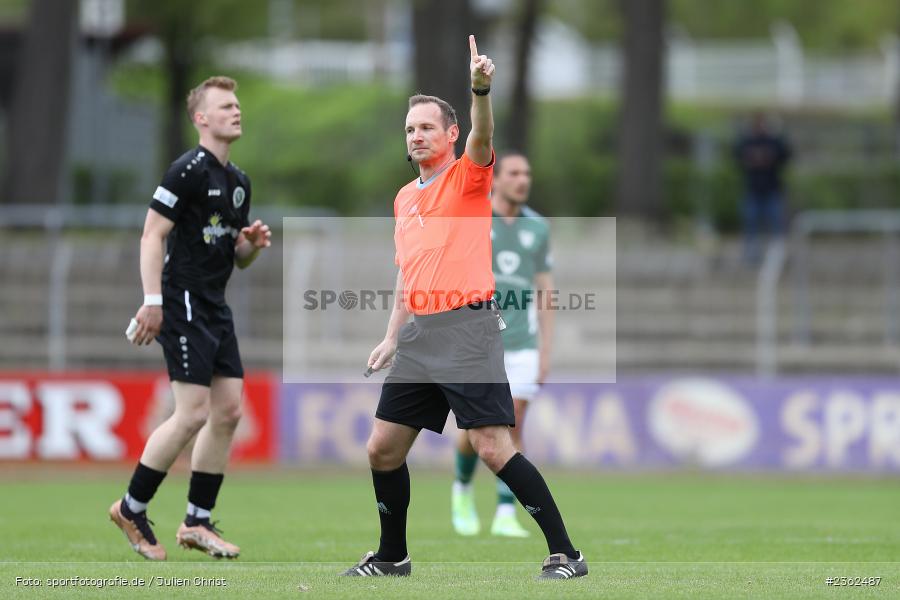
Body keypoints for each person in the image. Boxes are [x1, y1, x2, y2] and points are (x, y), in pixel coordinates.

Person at [341, 36, 586, 580]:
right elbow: (408, 272)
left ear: (450, 135)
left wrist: (480, 89)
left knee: (493, 446)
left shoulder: (467, 177)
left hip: (468, 329)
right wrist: (390, 335)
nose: (417, 135)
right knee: (382, 448)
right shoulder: (405, 198)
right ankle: (392, 557)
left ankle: (566, 553)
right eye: (410, 129)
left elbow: (484, 133)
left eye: (427, 126)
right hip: (420, 336)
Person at [108, 76, 272, 561]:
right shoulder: (187, 169)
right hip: (181, 301)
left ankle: (197, 521)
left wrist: (250, 246)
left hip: (215, 306)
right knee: (193, 412)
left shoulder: (238, 182)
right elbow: (151, 235)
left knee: (228, 412)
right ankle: (132, 507)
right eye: (225, 106)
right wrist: (152, 299)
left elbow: (232, 253)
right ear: (201, 118)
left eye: (238, 104)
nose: (236, 111)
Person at [451, 151, 554, 538]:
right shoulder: (475, 219)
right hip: (480, 342)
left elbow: (546, 292)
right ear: (496, 179)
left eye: (526, 173)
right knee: (477, 427)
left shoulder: (538, 228)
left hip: (523, 342)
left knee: (513, 422)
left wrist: (546, 352)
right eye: (513, 172)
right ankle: (461, 489)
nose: (522, 179)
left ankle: (506, 511)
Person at [733, 112, 792, 263]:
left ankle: (778, 255)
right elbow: (737, 155)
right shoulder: (748, 141)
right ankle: (752, 256)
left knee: (776, 224)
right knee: (751, 224)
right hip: (753, 190)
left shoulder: (774, 141)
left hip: (772, 189)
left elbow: (785, 154)